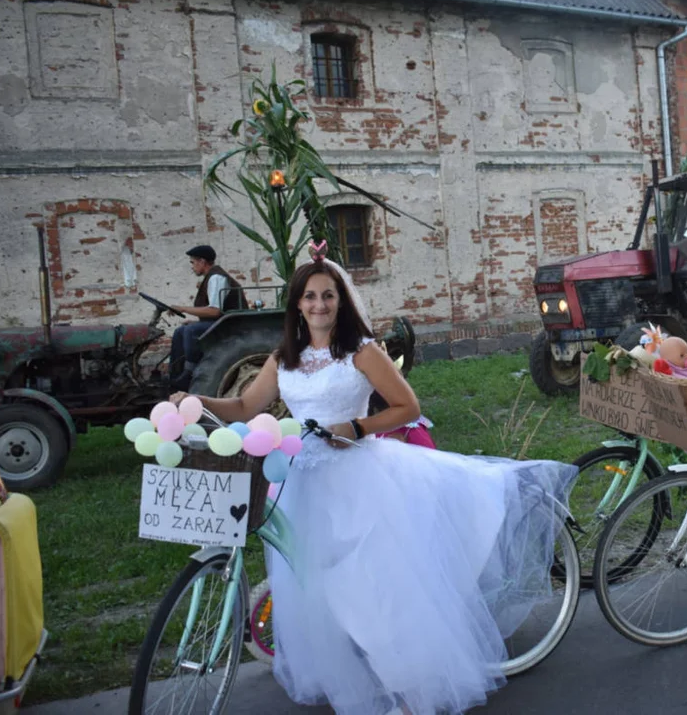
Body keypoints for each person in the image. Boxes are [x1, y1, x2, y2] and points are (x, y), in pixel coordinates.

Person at [170, 246, 577, 714]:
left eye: (328, 295)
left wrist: (357, 427)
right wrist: (197, 402)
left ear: (341, 301)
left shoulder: (360, 353)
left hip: (361, 478)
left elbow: (408, 407)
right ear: (297, 304)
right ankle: (364, 671)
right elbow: (245, 407)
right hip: (302, 483)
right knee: (323, 589)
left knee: (374, 591)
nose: (319, 305)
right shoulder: (284, 357)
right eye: (309, 296)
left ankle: (413, 691)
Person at [169, 245, 246, 390]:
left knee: (190, 331)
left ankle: (190, 372)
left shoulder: (216, 277)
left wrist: (183, 308)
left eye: (193, 262)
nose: (192, 267)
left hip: (231, 325)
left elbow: (215, 311)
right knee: (181, 330)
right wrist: (194, 320)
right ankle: (175, 373)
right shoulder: (211, 277)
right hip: (221, 322)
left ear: (202, 262)